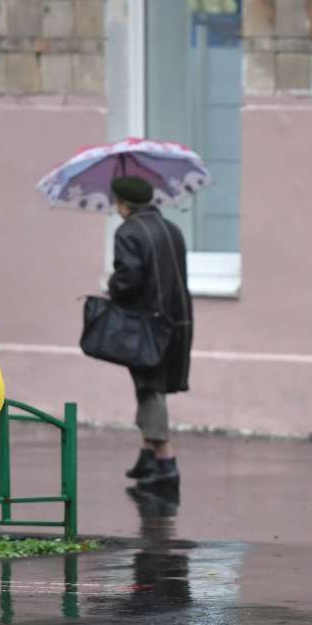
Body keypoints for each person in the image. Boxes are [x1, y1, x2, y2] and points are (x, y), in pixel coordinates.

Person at [108, 176, 193, 489]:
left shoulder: (128, 231)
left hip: (147, 322)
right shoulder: (172, 229)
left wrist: (112, 287)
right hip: (178, 319)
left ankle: (166, 460)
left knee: (149, 387)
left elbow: (129, 280)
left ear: (124, 203)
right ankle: (147, 456)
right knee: (150, 383)